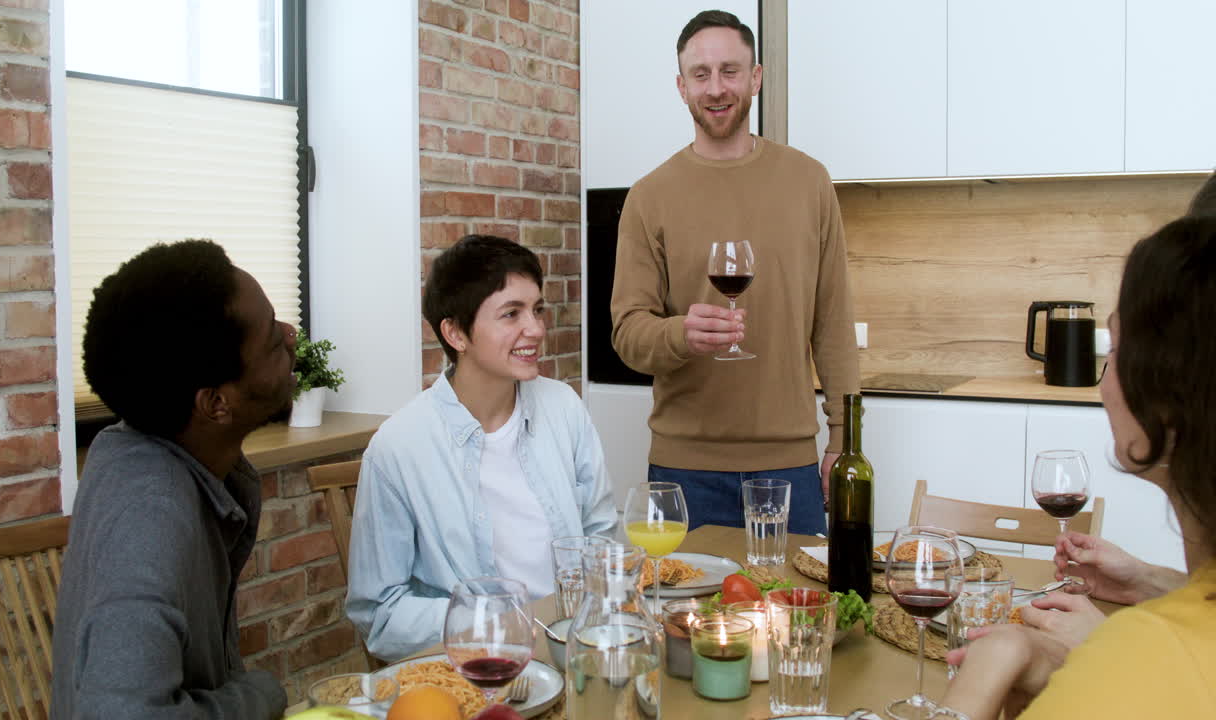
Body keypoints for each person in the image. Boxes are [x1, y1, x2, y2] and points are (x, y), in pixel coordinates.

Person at [939, 216, 1216, 719]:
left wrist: (989, 670)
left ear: (1170, 396)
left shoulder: (1140, 664)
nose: (1104, 384)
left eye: (1115, 352)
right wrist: (1149, 583)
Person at [609, 10, 859, 534]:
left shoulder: (809, 183)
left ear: (756, 78)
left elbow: (833, 325)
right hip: (683, 472)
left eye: (730, 70)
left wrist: (843, 440)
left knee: (801, 618)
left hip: (788, 464)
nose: (716, 87)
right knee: (675, 618)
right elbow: (628, 335)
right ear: (681, 87)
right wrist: (681, 334)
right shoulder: (648, 197)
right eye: (701, 74)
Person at [51, 240, 292, 718]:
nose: (289, 332)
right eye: (270, 340)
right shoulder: (149, 517)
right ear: (215, 404)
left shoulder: (137, 449)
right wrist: (261, 695)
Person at [346, 235, 616, 661]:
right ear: (455, 332)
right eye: (511, 314)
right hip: (476, 667)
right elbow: (380, 613)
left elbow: (602, 536)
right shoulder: (398, 448)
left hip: (577, 647)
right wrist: (494, 622)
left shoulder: (563, 406)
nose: (537, 328)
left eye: (538, 309)